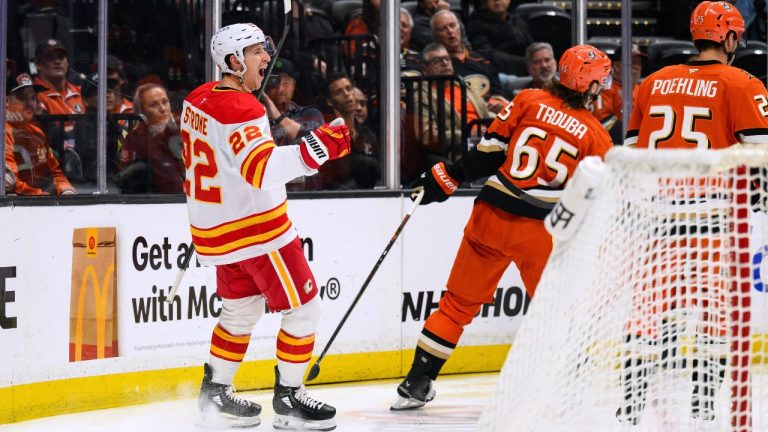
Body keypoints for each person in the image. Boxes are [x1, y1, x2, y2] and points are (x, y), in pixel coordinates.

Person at [391, 44, 613, 410]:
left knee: (456, 306)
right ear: (590, 86)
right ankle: (565, 387)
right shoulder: (596, 136)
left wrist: (449, 176)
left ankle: (416, 383)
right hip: (539, 232)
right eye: (600, 83)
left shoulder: (528, 99)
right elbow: (593, 198)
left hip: (490, 215)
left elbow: (488, 154)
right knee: (558, 310)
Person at [182, 22, 350, 429]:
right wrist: (316, 148)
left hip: (216, 233)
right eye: (258, 52)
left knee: (239, 312)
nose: (266, 59)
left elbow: (227, 161)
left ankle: (215, 394)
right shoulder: (243, 107)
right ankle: (290, 398)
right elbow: (259, 169)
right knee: (305, 309)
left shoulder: (197, 98)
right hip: (258, 234)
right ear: (235, 61)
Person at [620, 1, 768, 424]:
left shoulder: (653, 82)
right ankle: (703, 409)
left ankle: (629, 406)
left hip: (657, 220)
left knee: (646, 319)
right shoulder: (742, 83)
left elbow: (633, 154)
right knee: (714, 323)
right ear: (731, 38)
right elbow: (762, 155)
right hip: (713, 223)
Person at [414, 43, 489, 164]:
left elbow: (485, 113)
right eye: (437, 61)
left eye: (447, 58)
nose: (445, 63)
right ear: (424, 69)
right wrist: (468, 134)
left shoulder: (462, 85)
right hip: (458, 151)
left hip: (486, 142)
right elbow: (427, 135)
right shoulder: (422, 95)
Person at [4, 73, 76, 196]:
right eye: (22, 97)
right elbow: (8, 183)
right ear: (6, 101)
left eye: (33, 98)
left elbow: (55, 173)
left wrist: (66, 190)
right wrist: (40, 195)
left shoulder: (37, 132)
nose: (30, 103)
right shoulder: (3, 132)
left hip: (36, 200)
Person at [262, 57, 325, 190]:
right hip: (270, 196)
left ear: (293, 85)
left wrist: (277, 116)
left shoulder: (310, 114)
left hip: (310, 197)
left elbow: (313, 139)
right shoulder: (257, 121)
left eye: (285, 84)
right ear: (264, 85)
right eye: (274, 84)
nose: (280, 90)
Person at [431, 9, 508, 114]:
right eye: (443, 29)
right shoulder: (442, 67)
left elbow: (498, 93)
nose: (450, 31)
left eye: (452, 25)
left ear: (460, 28)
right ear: (435, 36)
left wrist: (496, 102)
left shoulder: (482, 60)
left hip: (491, 114)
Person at [118, 82, 183, 193]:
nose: (163, 109)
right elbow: (125, 180)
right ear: (142, 112)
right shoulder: (135, 138)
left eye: (165, 102)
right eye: (153, 105)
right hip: (153, 202)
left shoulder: (186, 128)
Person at [320, 73, 379, 189]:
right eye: (339, 92)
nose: (346, 95)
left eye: (349, 89)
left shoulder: (366, 133)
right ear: (330, 102)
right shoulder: (325, 131)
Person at [591, 44, 645, 142]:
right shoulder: (605, 89)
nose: (636, 67)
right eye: (632, 62)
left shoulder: (643, 89)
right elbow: (602, 126)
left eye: (639, 63)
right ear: (616, 66)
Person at [466, 0, 533, 76]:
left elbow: (531, 46)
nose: (496, 0)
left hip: (528, 68)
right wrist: (528, 63)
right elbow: (488, 56)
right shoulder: (476, 24)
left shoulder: (516, 19)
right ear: (484, 2)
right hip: (499, 73)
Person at [400, 8, 421, 74]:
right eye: (395, 24)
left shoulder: (416, 57)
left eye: (404, 25)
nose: (400, 29)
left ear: (410, 31)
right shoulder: (372, 54)